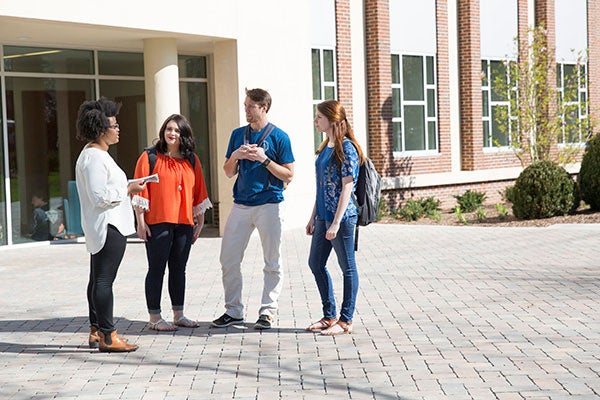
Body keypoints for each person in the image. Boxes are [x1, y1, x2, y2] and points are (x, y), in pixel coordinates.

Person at [211, 88, 295, 330]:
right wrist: (236, 155)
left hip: (269, 204)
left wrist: (263, 159)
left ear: (263, 107)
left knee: (272, 260)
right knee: (228, 258)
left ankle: (267, 312)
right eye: (245, 105)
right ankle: (234, 311)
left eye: (250, 106)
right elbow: (228, 172)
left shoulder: (279, 137)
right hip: (241, 204)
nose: (246, 110)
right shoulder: (238, 134)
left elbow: (289, 174)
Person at [75, 97, 144, 352]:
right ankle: (108, 335)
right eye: (114, 125)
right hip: (108, 226)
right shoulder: (94, 157)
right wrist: (128, 188)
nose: (118, 129)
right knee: (103, 281)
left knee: (97, 280)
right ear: (101, 129)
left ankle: (97, 331)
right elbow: (100, 196)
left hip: (104, 225)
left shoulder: (94, 154)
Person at [132, 113, 212, 332]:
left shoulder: (191, 159)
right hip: (157, 222)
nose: (172, 133)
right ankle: (154, 318)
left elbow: (198, 190)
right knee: (156, 269)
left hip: (184, 223)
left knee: (179, 269)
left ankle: (179, 314)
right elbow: (140, 189)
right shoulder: (149, 156)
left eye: (177, 130)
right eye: (169, 129)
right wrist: (140, 221)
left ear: (183, 134)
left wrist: (200, 219)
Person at [305, 99, 364, 335]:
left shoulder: (346, 148)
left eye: (319, 117)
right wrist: (313, 216)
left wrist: (337, 222)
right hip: (322, 216)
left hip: (342, 218)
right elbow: (322, 186)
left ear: (332, 119)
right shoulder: (325, 147)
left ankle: (346, 319)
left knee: (347, 267)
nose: (315, 120)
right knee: (315, 263)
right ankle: (329, 315)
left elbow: (346, 187)